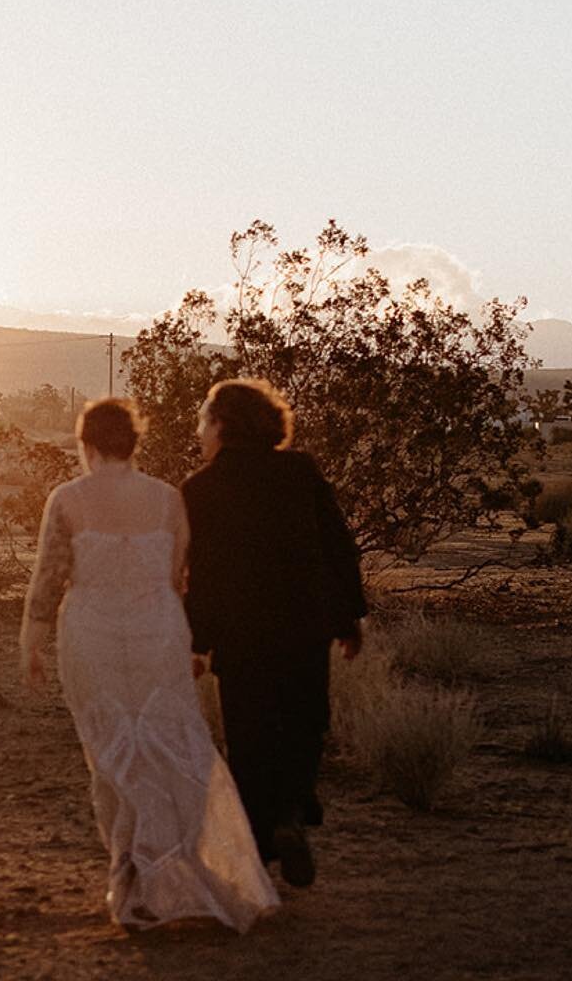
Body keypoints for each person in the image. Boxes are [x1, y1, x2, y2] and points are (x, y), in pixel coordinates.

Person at [20, 398, 278, 932]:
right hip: (158, 632)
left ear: (86, 445)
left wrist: (32, 640)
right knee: (168, 749)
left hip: (91, 634)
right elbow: (179, 574)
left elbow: (49, 578)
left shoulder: (68, 498)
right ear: (134, 444)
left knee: (113, 758)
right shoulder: (167, 499)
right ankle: (168, 875)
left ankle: (133, 883)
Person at [182, 378, 367, 889]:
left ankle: (262, 851)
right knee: (307, 725)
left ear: (221, 425)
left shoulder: (200, 489)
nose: (200, 431)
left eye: (203, 421)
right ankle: (290, 814)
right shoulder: (299, 470)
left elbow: (205, 573)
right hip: (303, 627)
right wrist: (348, 617)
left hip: (242, 638)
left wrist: (197, 641)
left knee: (251, 741)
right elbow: (337, 545)